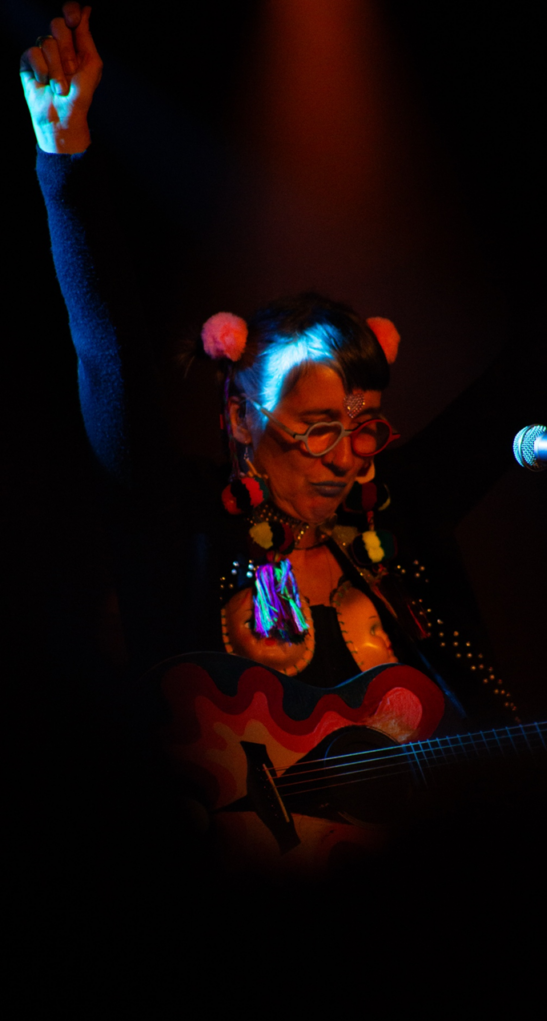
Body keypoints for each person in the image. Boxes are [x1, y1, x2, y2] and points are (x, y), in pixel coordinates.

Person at [20, 5, 515, 745]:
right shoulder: (178, 518)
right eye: (317, 429)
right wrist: (65, 161)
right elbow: (110, 360)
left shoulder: (394, 517)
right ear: (242, 416)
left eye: (363, 428)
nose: (348, 460)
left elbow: (521, 388)